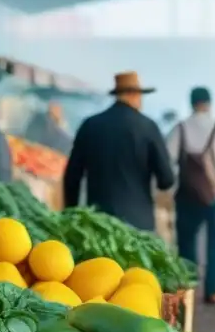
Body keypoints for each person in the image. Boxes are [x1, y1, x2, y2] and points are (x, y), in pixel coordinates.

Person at [64, 72, 174, 231]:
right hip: (139, 226)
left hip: (98, 222)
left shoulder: (90, 125)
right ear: (133, 94)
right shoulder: (149, 127)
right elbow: (167, 180)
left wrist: (71, 212)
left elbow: (72, 177)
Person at [166, 87, 215, 304]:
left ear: (191, 103)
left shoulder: (179, 128)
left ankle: (188, 287)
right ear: (209, 103)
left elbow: (168, 160)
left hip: (186, 195)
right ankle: (213, 291)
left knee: (186, 242)